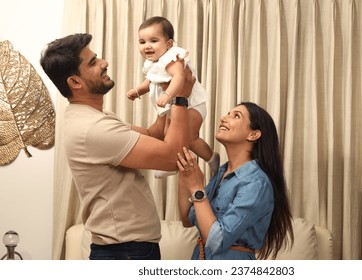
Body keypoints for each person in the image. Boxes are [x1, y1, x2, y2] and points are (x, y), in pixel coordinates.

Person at [40, 33, 194, 260]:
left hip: (128, 249)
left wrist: (165, 91)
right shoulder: (94, 129)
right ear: (75, 82)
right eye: (93, 63)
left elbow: (154, 135)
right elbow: (173, 158)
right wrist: (181, 97)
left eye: (97, 57)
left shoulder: (93, 118)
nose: (104, 63)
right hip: (125, 252)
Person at [176, 102, 294, 260]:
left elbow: (218, 240)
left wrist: (197, 187)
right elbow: (187, 219)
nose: (224, 118)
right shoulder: (222, 173)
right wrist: (185, 175)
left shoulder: (256, 183)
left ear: (253, 135)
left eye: (236, 116)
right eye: (227, 113)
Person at [126, 16, 219, 178]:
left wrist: (168, 94)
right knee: (172, 135)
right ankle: (206, 158)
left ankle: (204, 159)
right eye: (142, 42)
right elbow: (151, 81)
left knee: (187, 137)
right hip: (174, 107)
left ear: (168, 44)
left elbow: (179, 77)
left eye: (154, 41)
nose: (147, 46)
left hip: (192, 105)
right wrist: (138, 90)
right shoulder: (153, 63)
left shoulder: (172, 57)